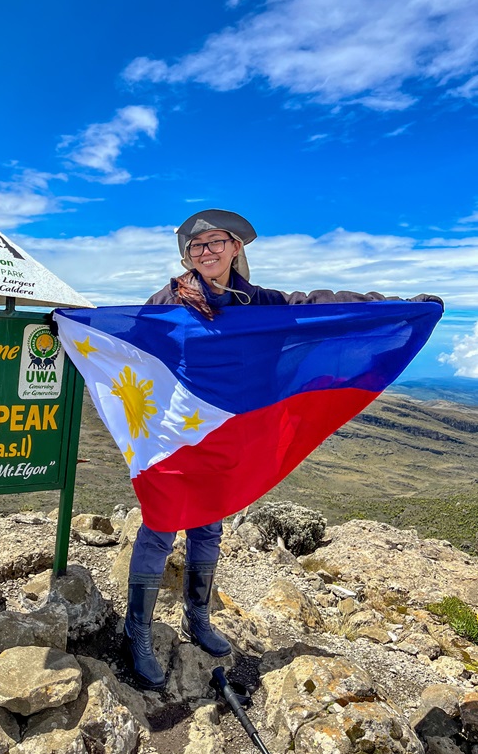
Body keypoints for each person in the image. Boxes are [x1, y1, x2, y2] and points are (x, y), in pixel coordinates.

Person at [122, 208, 443, 690]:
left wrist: (394, 305)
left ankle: (198, 616)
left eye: (214, 243)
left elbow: (318, 306)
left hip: (228, 432)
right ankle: (138, 631)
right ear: (187, 256)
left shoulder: (260, 303)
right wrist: (76, 325)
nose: (205, 252)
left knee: (209, 525)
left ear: (235, 248)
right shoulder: (170, 300)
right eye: (196, 246)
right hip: (177, 435)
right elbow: (129, 337)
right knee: (162, 526)